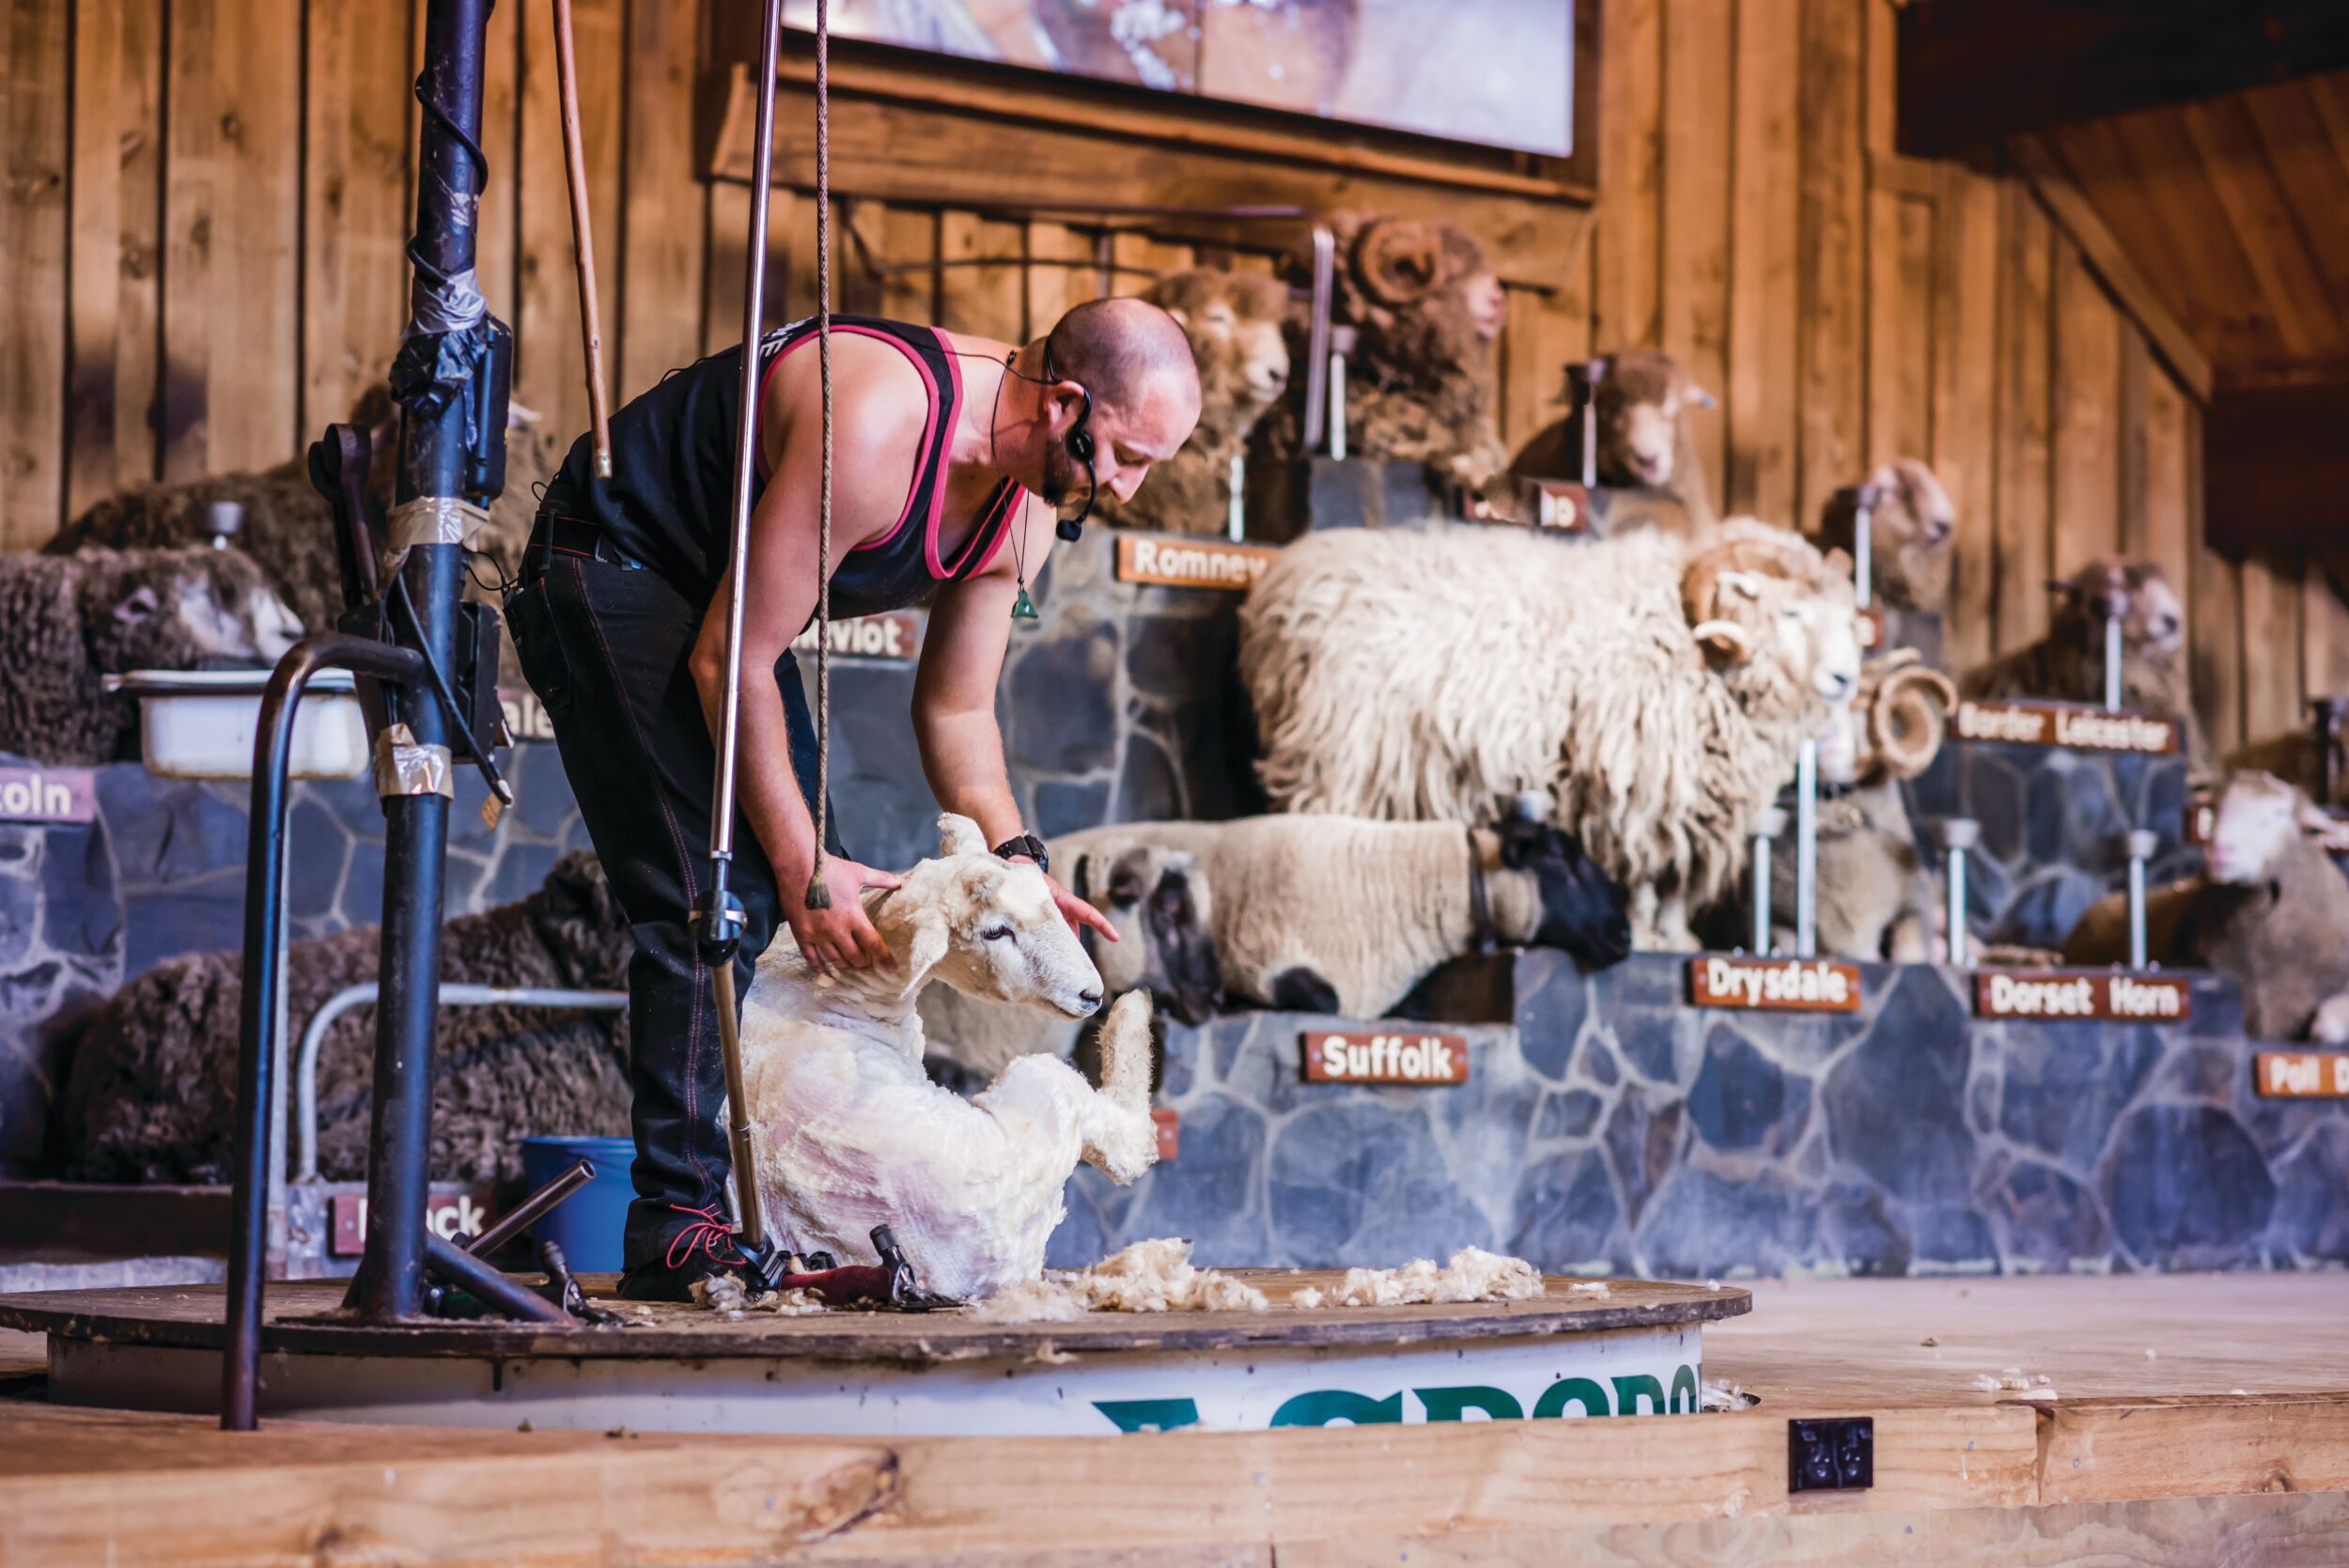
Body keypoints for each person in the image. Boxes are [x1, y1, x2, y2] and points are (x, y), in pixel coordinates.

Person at [506, 299, 1203, 1298]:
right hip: (617, 558)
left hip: (721, 604)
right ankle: (679, 1223)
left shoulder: (1025, 509)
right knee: (724, 892)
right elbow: (729, 656)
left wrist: (1023, 870)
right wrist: (801, 865)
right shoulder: (876, 424)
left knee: (797, 911)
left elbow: (958, 713)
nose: (1129, 488)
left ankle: (767, 1209)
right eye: (1127, 457)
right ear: (1064, 405)